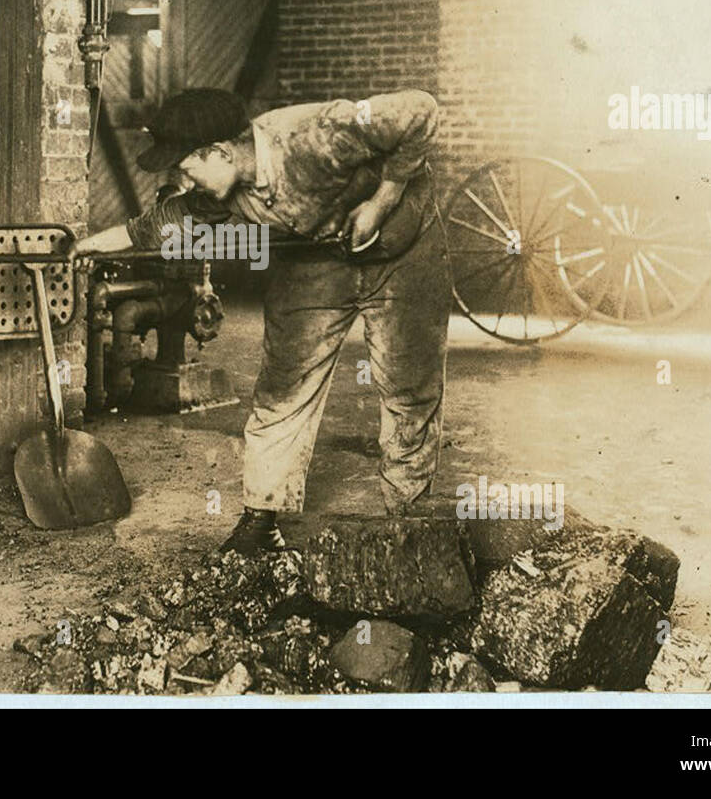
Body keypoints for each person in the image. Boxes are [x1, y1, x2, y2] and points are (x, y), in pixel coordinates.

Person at [75, 87, 451, 553]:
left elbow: (419, 110)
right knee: (282, 386)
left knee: (408, 388)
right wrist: (88, 246)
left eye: (186, 167)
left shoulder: (316, 133)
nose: (183, 179)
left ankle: (409, 520)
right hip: (317, 259)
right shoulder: (222, 191)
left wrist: (384, 198)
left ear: (217, 152)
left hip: (403, 251)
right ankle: (261, 518)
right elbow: (154, 225)